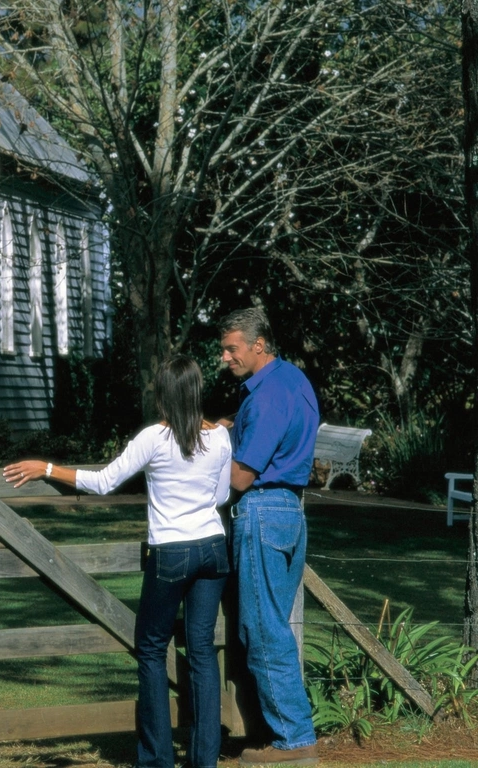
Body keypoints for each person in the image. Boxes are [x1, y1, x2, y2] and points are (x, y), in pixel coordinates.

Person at [4, 356, 232, 768]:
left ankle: (156, 760)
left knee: (149, 649)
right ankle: (205, 760)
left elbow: (104, 481)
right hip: (213, 549)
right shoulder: (220, 438)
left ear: (163, 394)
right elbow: (220, 498)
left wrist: (49, 468)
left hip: (172, 552)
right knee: (201, 652)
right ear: (197, 391)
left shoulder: (154, 438)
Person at [219, 308, 320, 767]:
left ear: (258, 345)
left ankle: (295, 741)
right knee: (272, 624)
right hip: (290, 511)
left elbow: (241, 476)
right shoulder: (291, 381)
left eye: (232, 348)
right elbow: (273, 435)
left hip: (261, 511)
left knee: (262, 630)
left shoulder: (265, 398)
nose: (225, 357)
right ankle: (283, 731)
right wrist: (229, 427)